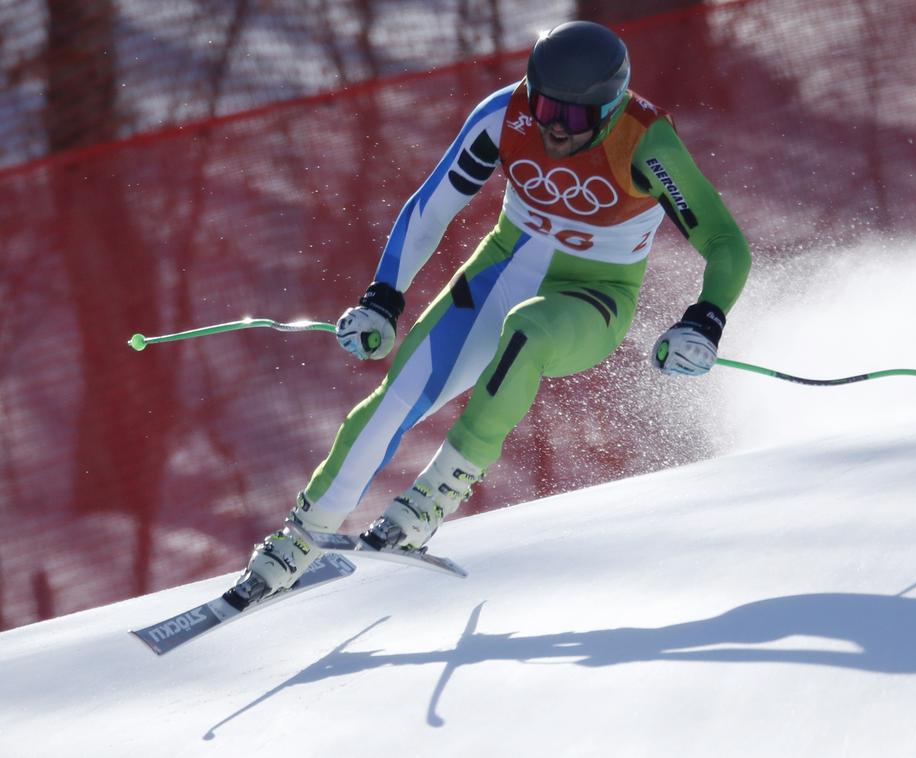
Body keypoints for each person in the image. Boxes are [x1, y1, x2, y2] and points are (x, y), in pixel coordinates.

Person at [224, 20, 752, 608]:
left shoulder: (645, 142)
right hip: (500, 270)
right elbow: (430, 207)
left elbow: (727, 243)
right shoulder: (505, 115)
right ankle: (299, 539)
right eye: (546, 104)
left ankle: (433, 498)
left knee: (525, 333)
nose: (553, 126)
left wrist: (705, 318)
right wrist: (383, 298)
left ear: (609, 110)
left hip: (593, 297)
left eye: (574, 119)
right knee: (398, 394)